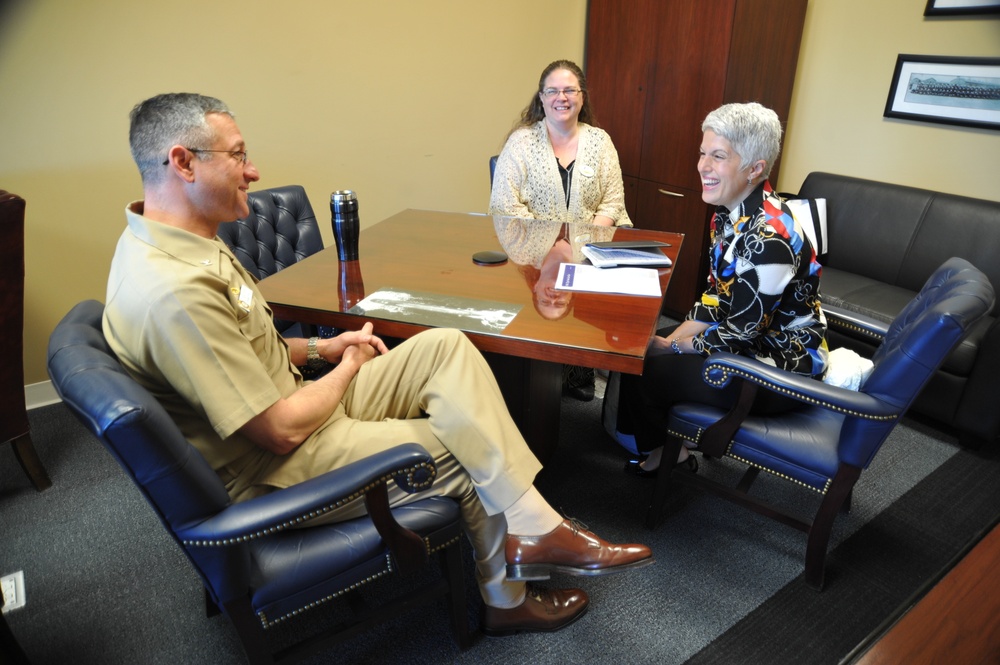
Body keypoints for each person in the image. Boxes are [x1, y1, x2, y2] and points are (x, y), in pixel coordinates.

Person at [104, 93, 653, 637]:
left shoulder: (178, 242)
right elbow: (279, 429)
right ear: (183, 162)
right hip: (276, 464)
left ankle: (532, 526)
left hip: (294, 406)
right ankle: (505, 598)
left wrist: (324, 349)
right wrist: (348, 368)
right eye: (237, 155)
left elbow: (248, 348)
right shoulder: (175, 292)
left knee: (445, 345)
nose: (253, 170)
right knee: (466, 445)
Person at [617, 102, 828, 476]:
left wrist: (676, 346)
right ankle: (663, 441)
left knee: (646, 367)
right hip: (748, 343)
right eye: (702, 153)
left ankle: (669, 456)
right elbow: (717, 294)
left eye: (718, 156)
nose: (702, 166)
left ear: (755, 168)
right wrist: (673, 340)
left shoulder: (769, 240)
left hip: (776, 371)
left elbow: (741, 332)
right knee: (642, 347)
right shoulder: (728, 213)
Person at [489, 59, 631, 400]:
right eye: (553, 90)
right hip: (530, 247)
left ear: (582, 97)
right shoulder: (521, 143)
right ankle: (549, 367)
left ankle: (581, 363)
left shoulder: (600, 141)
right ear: (541, 98)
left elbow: (612, 204)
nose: (561, 97)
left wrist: (581, 247)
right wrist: (552, 247)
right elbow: (506, 206)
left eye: (570, 90)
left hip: (595, 248)